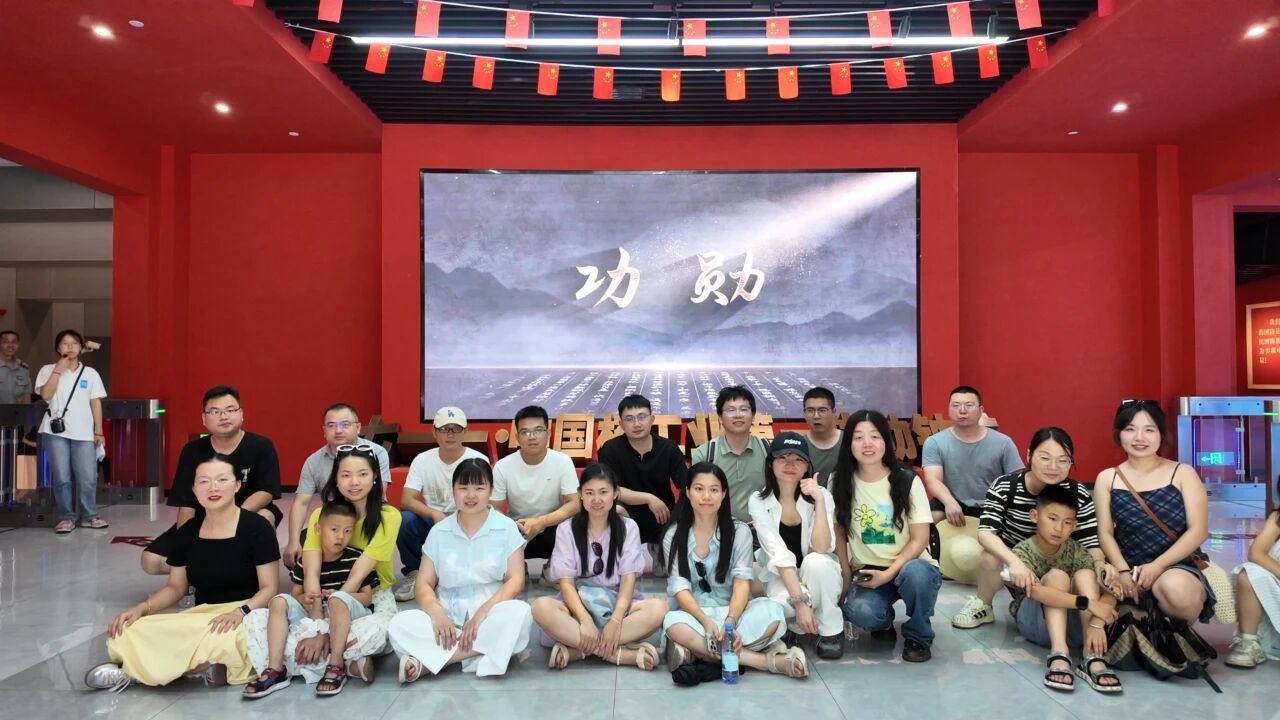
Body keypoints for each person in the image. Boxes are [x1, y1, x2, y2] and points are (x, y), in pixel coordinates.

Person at [85, 454, 280, 692]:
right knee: (129, 629)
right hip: (202, 616)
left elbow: (269, 588)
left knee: (226, 639)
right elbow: (175, 588)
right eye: (204, 481)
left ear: (237, 485)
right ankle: (180, 667)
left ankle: (138, 671)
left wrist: (240, 612)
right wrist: (141, 609)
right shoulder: (188, 531)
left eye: (222, 480)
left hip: (247, 612)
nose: (213, 487)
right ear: (194, 489)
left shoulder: (257, 527)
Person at [388, 458, 533, 681]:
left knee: (520, 613)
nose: (471, 495)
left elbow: (516, 580)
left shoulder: (506, 528)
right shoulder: (439, 531)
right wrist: (437, 614)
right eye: (463, 488)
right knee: (399, 624)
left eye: (479, 488)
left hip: (490, 615)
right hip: (447, 620)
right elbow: (424, 583)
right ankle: (481, 651)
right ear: (453, 490)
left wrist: (482, 613)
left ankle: (434, 661)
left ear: (491, 490)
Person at [954, 427, 1111, 629]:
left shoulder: (1078, 494)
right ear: (1029, 455)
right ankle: (983, 604)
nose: (1053, 467)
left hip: (1060, 567)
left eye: (1063, 460)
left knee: (1087, 573)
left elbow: (1090, 543)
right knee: (989, 557)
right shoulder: (1005, 486)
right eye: (1045, 458)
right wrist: (1015, 562)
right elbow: (986, 533)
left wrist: (1100, 566)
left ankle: (1087, 629)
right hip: (1016, 567)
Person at [661, 462, 804, 682]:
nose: (706, 496)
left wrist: (730, 623)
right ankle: (763, 661)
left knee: (773, 612)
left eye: (714, 490)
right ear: (687, 492)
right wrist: (706, 622)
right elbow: (680, 589)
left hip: (734, 614)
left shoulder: (739, 531)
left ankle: (700, 653)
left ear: (724, 494)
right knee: (672, 622)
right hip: (695, 616)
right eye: (699, 489)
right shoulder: (674, 535)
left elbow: (741, 584)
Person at [531, 463, 665, 670]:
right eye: (589, 493)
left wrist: (616, 621)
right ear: (580, 495)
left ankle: (580, 650)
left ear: (615, 493)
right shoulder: (566, 529)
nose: (596, 500)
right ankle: (616, 654)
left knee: (659, 608)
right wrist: (584, 619)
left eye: (603, 492)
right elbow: (566, 583)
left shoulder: (628, 527)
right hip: (578, 604)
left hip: (617, 601)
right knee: (541, 607)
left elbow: (628, 579)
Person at [833, 409, 941, 663]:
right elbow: (839, 531)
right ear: (849, 443)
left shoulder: (906, 479)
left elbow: (920, 538)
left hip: (910, 564)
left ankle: (918, 635)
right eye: (858, 437)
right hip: (868, 569)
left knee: (917, 575)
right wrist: (846, 577)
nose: (867, 444)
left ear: (886, 441)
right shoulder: (839, 481)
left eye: (875, 436)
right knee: (860, 611)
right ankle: (883, 622)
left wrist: (889, 573)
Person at [1094, 400, 1214, 624]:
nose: (1139, 438)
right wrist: (1122, 571)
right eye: (1130, 429)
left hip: (1176, 565)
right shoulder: (1108, 478)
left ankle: (1177, 630)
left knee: (1175, 588)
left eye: (1149, 430)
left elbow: (1198, 531)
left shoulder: (1183, 473)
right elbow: (1105, 533)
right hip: (1127, 567)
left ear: (1161, 435)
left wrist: (1158, 566)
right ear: (1119, 434)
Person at [141, 386, 282, 575]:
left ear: (241, 414)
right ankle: (207, 571)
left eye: (230, 410)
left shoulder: (261, 446)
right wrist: (186, 543)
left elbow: (266, 492)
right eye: (215, 411)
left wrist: (230, 519)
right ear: (204, 419)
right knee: (151, 561)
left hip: (247, 514)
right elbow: (187, 504)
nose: (223, 416)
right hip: (204, 518)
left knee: (266, 517)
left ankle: (253, 572)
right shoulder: (192, 451)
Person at [244, 499, 377, 698]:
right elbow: (295, 594)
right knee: (278, 601)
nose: (341, 536)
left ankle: (336, 665)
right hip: (313, 616)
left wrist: (340, 596)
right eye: (334, 529)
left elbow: (367, 598)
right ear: (318, 529)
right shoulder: (307, 559)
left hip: (345, 614)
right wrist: (303, 598)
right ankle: (275, 669)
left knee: (338, 601)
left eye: (348, 531)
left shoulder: (355, 557)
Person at [1008, 484, 1122, 693]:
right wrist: (1088, 604)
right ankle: (1059, 653)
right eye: (1052, 519)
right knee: (1057, 576)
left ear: (1074, 526)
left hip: (1078, 629)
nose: (1059, 528)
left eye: (1067, 522)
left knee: (1086, 574)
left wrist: (1097, 624)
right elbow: (1036, 592)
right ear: (1034, 516)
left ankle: (1091, 655)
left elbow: (1111, 593)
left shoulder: (1077, 551)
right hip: (1035, 624)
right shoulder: (1021, 552)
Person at [748, 431, 844, 659]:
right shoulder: (758, 500)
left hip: (818, 574)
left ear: (807, 466)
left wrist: (819, 500)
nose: (790, 465)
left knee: (817, 562)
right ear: (770, 463)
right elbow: (778, 555)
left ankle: (830, 631)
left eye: (798, 459)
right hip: (781, 575)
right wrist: (800, 603)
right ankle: (797, 624)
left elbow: (822, 546)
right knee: (784, 605)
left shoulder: (821, 495)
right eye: (783, 458)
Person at [393, 406, 486, 601]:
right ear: (434, 432)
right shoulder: (423, 460)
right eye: (444, 429)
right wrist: (434, 514)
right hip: (434, 521)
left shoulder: (477, 460)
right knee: (405, 520)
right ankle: (415, 571)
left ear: (465, 432)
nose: (450, 434)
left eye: (456, 429)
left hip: (467, 520)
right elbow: (407, 500)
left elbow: (484, 501)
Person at [285, 403, 390, 569]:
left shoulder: (377, 453)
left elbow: (378, 492)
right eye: (331, 425)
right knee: (302, 548)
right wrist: (292, 541)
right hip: (334, 521)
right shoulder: (314, 461)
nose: (338, 430)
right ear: (324, 431)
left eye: (345, 424)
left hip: (368, 517)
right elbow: (301, 503)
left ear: (358, 427)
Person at [36, 329, 107, 533]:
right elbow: (46, 395)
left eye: (74, 343)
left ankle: (90, 515)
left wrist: (99, 431)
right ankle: (66, 517)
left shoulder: (90, 373)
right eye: (65, 343)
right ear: (58, 348)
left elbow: (95, 403)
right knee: (62, 477)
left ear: (80, 347)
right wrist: (59, 369)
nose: (70, 347)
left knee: (87, 476)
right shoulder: (47, 369)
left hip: (83, 432)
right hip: (55, 432)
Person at [597, 394, 687, 553]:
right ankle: (623, 557)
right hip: (627, 511)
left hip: (662, 512)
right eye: (629, 419)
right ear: (621, 424)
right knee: (614, 512)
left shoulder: (668, 448)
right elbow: (610, 488)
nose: (637, 424)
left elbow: (686, 484)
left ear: (652, 419)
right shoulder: (610, 449)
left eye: (642, 417)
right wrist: (648, 498)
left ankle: (660, 550)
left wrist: (680, 513)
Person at [922, 386, 1022, 526]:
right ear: (949, 409)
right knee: (930, 518)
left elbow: (1016, 482)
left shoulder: (1003, 442)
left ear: (981, 410)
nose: (962, 410)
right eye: (956, 405)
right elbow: (933, 480)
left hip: (992, 503)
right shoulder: (934, 442)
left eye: (969, 405)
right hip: (952, 500)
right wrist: (949, 502)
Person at [491, 405, 579, 561]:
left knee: (574, 526)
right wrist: (511, 526)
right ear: (517, 437)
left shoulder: (562, 461)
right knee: (492, 529)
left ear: (548, 433)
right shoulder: (503, 466)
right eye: (525, 432)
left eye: (538, 430)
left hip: (553, 525)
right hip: (518, 528)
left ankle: (554, 568)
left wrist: (540, 522)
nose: (531, 437)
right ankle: (516, 568)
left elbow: (575, 504)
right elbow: (494, 508)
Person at [691, 386, 770, 524]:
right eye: (730, 410)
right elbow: (697, 499)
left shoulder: (767, 450)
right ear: (720, 418)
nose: (738, 415)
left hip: (761, 529)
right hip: (718, 530)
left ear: (753, 416)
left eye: (744, 409)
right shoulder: (705, 454)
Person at [1227, 493, 1280, 668]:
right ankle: (1248, 643)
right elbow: (1256, 553)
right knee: (1249, 573)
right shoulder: (1277, 517)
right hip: (1277, 586)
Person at [801, 387, 840, 487]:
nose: (816, 416)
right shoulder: (799, 446)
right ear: (804, 413)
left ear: (833, 412)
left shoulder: (849, 441)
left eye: (822, 410)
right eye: (810, 410)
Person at [0, 330, 32, 404]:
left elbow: (26, 396)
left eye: (14, 342)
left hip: (17, 411)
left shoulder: (23, 368)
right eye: (6, 342)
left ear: (18, 345)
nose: (10, 345)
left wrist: (26, 411)